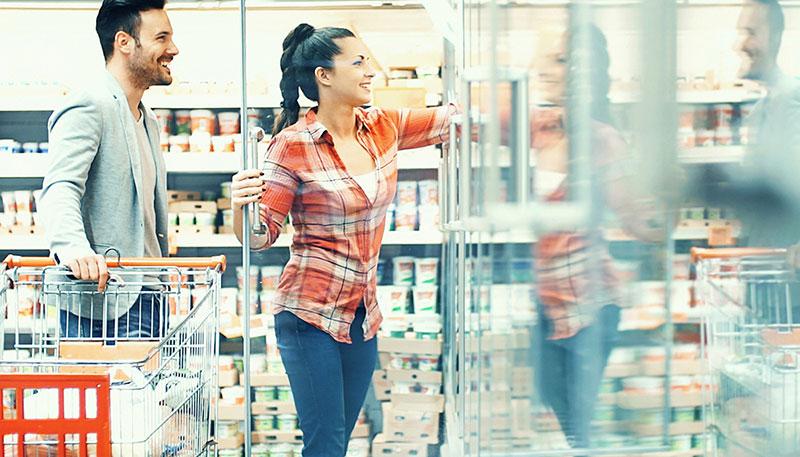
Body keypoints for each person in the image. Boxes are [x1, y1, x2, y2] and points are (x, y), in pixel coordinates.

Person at [230, 24, 455, 456]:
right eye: (359, 62)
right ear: (324, 76)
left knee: (336, 442)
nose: (370, 71)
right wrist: (242, 205)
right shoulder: (291, 145)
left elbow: (449, 121)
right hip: (308, 316)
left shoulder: (381, 126)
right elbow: (260, 236)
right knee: (327, 445)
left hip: (361, 316)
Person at [530, 24, 663, 451]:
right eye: (549, 57)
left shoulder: (602, 139)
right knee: (558, 404)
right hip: (547, 300)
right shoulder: (543, 127)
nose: (547, 68)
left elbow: (637, 217)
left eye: (560, 60)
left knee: (580, 425)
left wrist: (666, 207)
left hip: (590, 302)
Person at [39, 0, 179, 338]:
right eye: (161, 38)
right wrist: (73, 249)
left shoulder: (148, 120)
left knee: (147, 393)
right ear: (124, 43)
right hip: (104, 301)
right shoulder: (90, 104)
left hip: (148, 296)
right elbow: (60, 187)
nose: (173, 49)